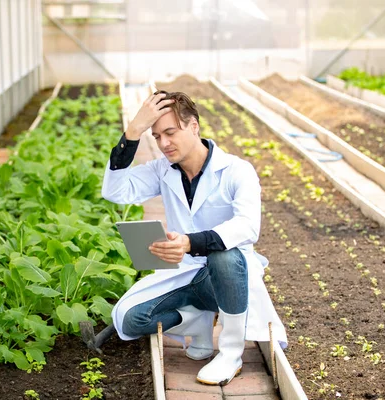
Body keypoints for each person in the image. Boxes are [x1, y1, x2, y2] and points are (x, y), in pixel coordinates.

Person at [102, 90, 287, 386]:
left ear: (194, 127)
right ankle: (196, 323)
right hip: (188, 274)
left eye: (170, 133)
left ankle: (230, 353)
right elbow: (115, 191)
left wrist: (190, 242)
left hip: (227, 280)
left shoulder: (237, 171)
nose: (163, 143)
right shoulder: (163, 170)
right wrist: (133, 131)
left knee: (225, 253)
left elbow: (247, 227)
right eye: (157, 136)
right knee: (129, 318)